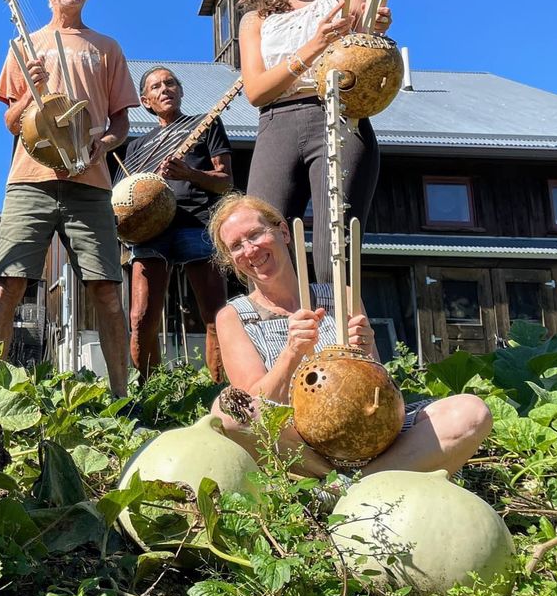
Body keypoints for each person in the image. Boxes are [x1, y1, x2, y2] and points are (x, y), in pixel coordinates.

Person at [207, 193, 491, 478]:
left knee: (471, 412)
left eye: (255, 234)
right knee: (227, 414)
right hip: (299, 442)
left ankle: (352, 486)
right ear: (230, 259)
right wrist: (291, 354)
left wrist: (366, 354)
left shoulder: (342, 297)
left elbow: (381, 389)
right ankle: (344, 480)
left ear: (283, 231)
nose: (250, 250)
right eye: (236, 246)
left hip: (370, 432)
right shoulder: (235, 317)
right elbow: (252, 403)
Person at [0, 0, 140, 396]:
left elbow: (121, 123)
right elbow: (12, 123)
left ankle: (121, 398)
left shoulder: (107, 48)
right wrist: (28, 96)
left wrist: (101, 146)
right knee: (8, 282)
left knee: (107, 291)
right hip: (30, 179)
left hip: (89, 185)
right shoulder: (24, 46)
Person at [237, 0, 392, 283]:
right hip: (277, 124)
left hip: (338, 116)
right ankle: (281, 338)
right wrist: (315, 45)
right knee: (262, 244)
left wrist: (377, 29)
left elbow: (370, 56)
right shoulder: (255, 20)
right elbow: (256, 91)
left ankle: (345, 338)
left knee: (334, 257)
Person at [125, 67, 232, 382]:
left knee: (215, 314)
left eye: (170, 83)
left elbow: (226, 182)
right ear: (146, 101)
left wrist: (189, 174)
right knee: (141, 317)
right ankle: (150, 395)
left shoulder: (206, 123)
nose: (165, 89)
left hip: (196, 222)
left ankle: (220, 395)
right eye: (156, 87)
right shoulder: (136, 146)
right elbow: (127, 193)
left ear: (181, 91)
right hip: (150, 231)